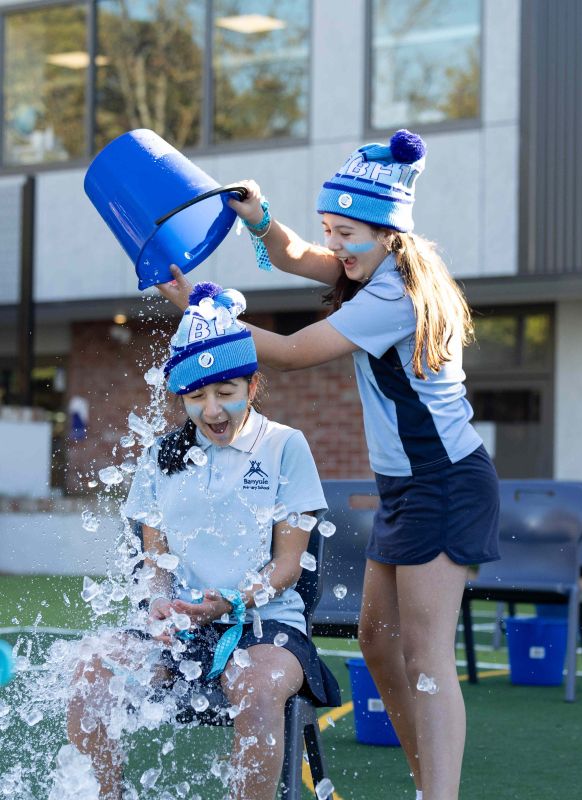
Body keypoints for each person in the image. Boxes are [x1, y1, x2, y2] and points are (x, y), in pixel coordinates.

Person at [159, 129, 500, 800]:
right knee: (377, 641)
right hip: (407, 489)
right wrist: (258, 217)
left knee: (425, 656)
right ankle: (427, 783)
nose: (336, 246)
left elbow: (289, 354)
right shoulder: (370, 268)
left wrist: (206, 314)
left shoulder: (393, 294)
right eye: (329, 230)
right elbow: (295, 256)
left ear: (388, 233)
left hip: (445, 483)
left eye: (346, 234)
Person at [66, 282, 339, 800]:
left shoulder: (285, 446)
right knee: (89, 670)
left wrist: (231, 601)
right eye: (196, 397)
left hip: (264, 624)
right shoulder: (161, 456)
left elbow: (288, 566)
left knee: (256, 690)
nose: (212, 411)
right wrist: (158, 602)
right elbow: (155, 559)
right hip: (181, 626)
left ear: (252, 386)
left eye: (226, 393)